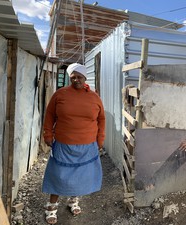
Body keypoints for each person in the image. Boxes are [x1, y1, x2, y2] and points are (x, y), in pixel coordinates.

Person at [42, 63, 106, 224]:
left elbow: (101, 119)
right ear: (69, 78)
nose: (76, 80)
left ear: (85, 78)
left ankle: (73, 201)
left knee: (80, 176)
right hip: (64, 144)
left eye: (79, 77)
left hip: (87, 145)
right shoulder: (60, 95)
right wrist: (47, 134)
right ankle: (51, 206)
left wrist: (100, 139)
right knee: (58, 175)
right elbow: (49, 116)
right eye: (73, 77)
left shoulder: (94, 97)